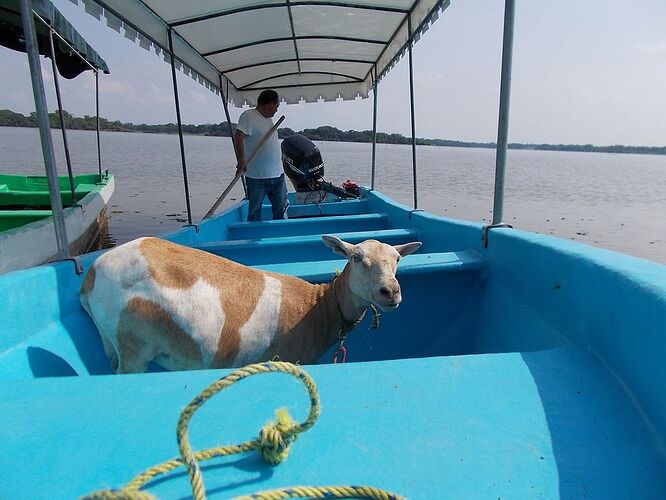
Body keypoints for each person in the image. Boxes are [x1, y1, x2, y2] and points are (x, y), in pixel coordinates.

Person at [234, 89, 288, 221]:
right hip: (257, 177)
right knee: (254, 212)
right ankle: (252, 239)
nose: (276, 110)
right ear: (270, 103)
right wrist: (241, 160)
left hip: (278, 175)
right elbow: (239, 136)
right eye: (276, 106)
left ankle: (280, 238)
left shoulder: (269, 120)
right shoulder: (249, 116)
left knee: (282, 211)